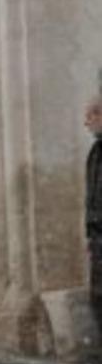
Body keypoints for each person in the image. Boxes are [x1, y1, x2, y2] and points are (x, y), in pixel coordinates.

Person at [85, 95, 102, 349]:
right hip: (98, 240)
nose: (85, 122)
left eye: (90, 115)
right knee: (98, 297)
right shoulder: (95, 153)